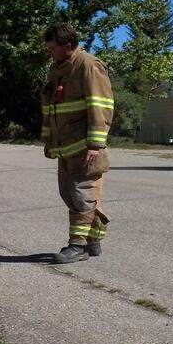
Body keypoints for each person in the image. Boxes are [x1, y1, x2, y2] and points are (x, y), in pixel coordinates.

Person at [41, 23, 114, 263]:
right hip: (66, 148)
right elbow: (54, 108)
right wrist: (50, 141)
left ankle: (78, 246)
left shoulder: (89, 66)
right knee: (70, 195)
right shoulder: (58, 68)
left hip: (85, 148)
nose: (48, 52)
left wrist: (95, 143)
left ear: (68, 46)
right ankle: (93, 240)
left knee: (82, 196)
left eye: (52, 48)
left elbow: (101, 106)